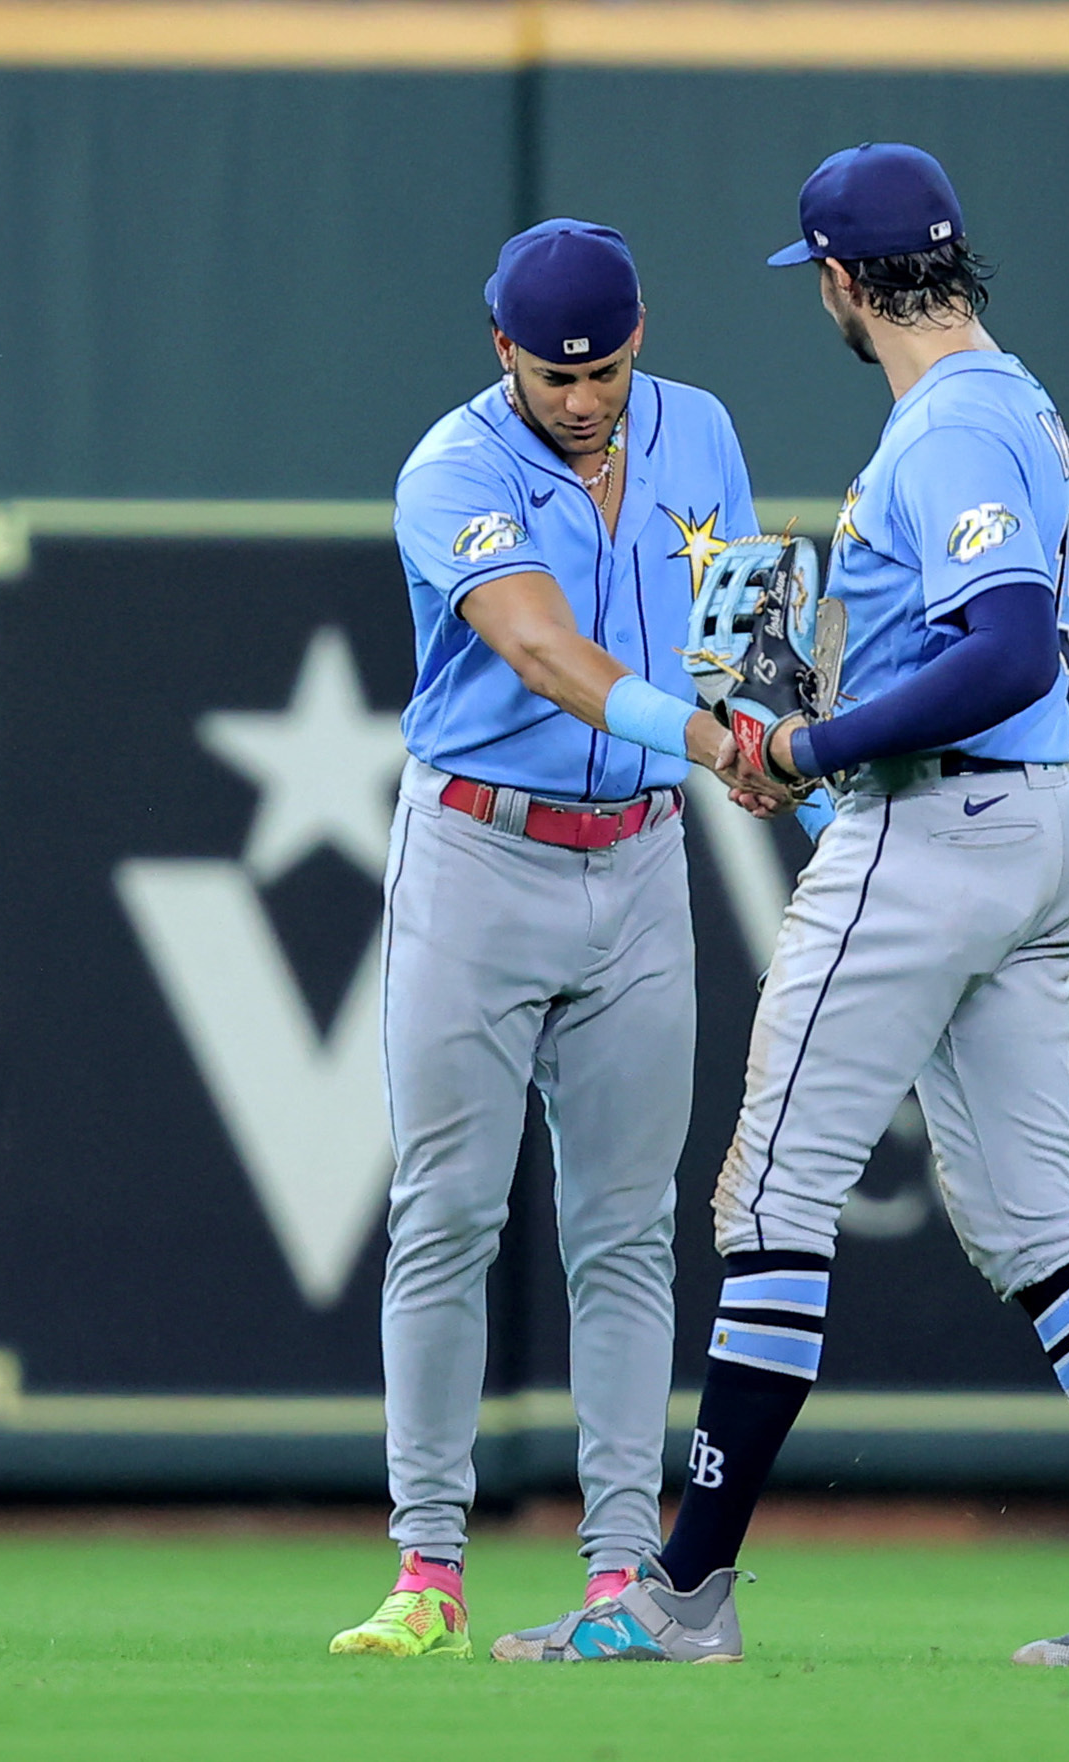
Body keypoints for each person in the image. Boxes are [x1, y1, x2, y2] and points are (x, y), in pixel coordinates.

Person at [500, 145, 1069, 1668]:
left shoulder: (951, 425)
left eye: (820, 285)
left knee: (768, 1204)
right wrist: (788, 717)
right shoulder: (1004, 400)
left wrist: (806, 743)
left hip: (943, 823)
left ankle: (677, 1594)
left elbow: (1012, 647)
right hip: (1023, 824)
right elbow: (944, 645)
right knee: (1034, 1221)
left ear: (842, 281)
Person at [329, 220, 786, 1658]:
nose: (580, 397)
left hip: (640, 859)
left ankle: (612, 1570)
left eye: (602, 368)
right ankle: (427, 1569)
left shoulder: (696, 430)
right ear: (499, 351)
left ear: (639, 338)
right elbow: (535, 645)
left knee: (625, 1232)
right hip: (477, 848)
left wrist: (772, 747)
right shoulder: (452, 465)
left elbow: (735, 631)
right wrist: (709, 733)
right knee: (447, 1212)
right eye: (551, 372)